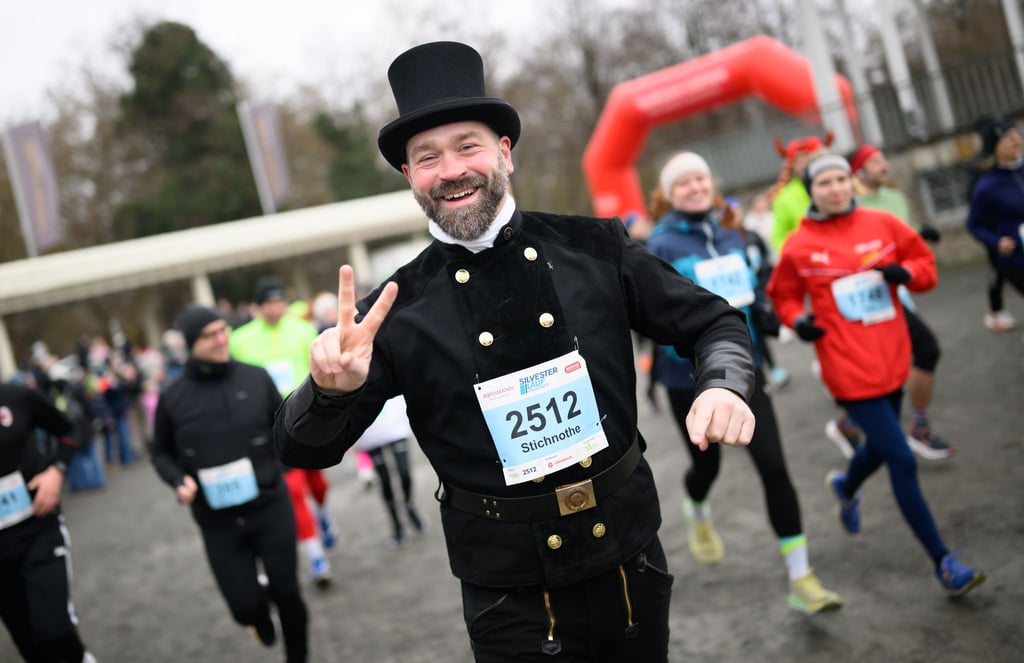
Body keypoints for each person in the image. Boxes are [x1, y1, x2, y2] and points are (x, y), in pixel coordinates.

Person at [274, 41, 756, 662]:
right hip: (509, 594)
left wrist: (722, 382)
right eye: (427, 158)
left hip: (628, 557)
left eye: (467, 146)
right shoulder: (392, 310)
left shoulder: (595, 247)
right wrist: (329, 392)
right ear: (408, 177)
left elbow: (715, 322)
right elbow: (299, 448)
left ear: (504, 152)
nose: (450, 171)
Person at [766, 153, 986, 596]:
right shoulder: (799, 245)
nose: (835, 188)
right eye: (824, 182)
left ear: (851, 182)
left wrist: (906, 273)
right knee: (901, 458)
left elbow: (924, 266)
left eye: (841, 179)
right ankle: (943, 562)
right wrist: (797, 321)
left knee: (880, 447)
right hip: (846, 368)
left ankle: (846, 485)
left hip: (891, 358)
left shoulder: (882, 224)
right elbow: (782, 296)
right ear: (813, 191)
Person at [646, 151, 840, 614]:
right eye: (683, 183)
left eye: (699, 179)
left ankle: (802, 579)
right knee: (707, 468)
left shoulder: (733, 234)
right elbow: (654, 315)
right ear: (668, 195)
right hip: (686, 378)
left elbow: (751, 296)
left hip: (744, 368)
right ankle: (696, 507)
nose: (694, 188)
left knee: (774, 467)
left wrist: (775, 322)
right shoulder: (660, 245)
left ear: (710, 184)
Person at [151, 304, 309, 662]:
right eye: (209, 336)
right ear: (190, 343)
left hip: (270, 506)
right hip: (217, 520)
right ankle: (256, 617)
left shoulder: (255, 377)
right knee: (243, 607)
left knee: (288, 594)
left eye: (223, 331)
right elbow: (159, 452)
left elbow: (285, 427)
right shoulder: (173, 397)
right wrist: (178, 481)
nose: (221, 340)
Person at [845, 144, 954, 461]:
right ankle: (909, 429)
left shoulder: (895, 198)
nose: (884, 165)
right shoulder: (850, 204)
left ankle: (852, 425)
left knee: (908, 357)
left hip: (899, 290)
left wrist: (922, 233)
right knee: (920, 351)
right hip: (869, 299)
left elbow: (901, 236)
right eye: (875, 161)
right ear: (859, 171)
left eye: (884, 158)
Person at [230, 276, 336, 588]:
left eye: (279, 302)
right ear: (257, 308)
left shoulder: (303, 331)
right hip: (268, 424)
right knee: (294, 489)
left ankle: (325, 512)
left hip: (308, 417)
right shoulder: (240, 339)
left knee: (317, 483)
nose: (275, 308)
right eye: (268, 304)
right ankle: (316, 555)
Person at [0, 381, 97, 663]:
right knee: (31, 647)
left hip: (38, 531)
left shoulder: (14, 396)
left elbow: (71, 428)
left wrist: (57, 470)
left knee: (53, 631)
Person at [966, 114, 1024, 327]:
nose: (1015, 140)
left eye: (1015, 134)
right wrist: (996, 242)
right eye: (1006, 138)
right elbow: (973, 224)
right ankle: (996, 312)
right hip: (1017, 259)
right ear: (994, 146)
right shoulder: (987, 185)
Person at [354, 395, 425, 548]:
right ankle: (396, 524)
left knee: (404, 472)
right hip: (370, 431)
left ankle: (409, 506)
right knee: (384, 480)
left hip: (394, 423)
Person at [769, 132, 833, 253]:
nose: (804, 162)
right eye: (798, 159)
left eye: (808, 156)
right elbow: (779, 238)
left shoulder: (839, 186)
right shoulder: (784, 198)